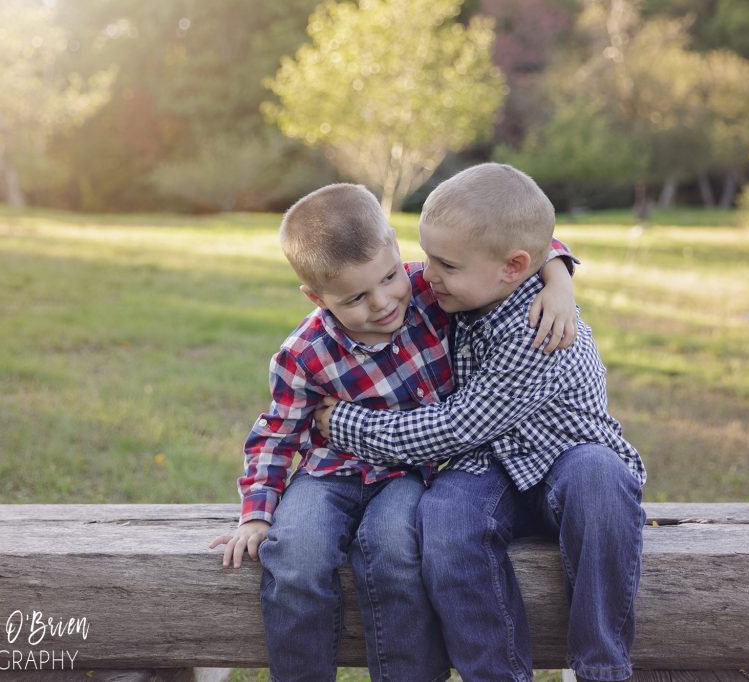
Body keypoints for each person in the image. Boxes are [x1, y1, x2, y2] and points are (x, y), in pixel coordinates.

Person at [208, 182, 579, 682]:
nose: (383, 302)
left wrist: (559, 278)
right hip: (326, 476)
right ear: (316, 297)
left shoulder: (429, 293)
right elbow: (275, 436)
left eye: (388, 276)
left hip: (406, 475)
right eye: (356, 296)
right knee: (295, 556)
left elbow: (509, 249)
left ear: (399, 253)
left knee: (395, 553)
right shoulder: (304, 353)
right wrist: (255, 514)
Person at [314, 164, 647, 682]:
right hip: (491, 462)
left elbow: (456, 427)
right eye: (426, 256)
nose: (425, 274)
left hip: (566, 456)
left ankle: (600, 668)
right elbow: (531, 243)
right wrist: (558, 269)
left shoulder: (537, 330)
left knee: (600, 478)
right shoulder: (461, 286)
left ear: (514, 268)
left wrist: (346, 425)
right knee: (446, 517)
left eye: (443, 263)